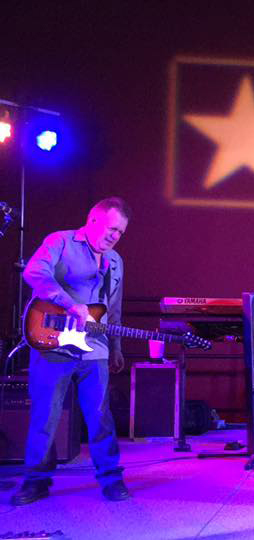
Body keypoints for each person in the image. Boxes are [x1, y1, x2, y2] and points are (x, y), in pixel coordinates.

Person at [12, 197, 131, 505]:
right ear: (93, 221)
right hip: (52, 340)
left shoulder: (115, 261)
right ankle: (35, 480)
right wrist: (69, 303)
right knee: (45, 415)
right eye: (111, 228)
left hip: (95, 348)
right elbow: (34, 273)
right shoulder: (60, 241)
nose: (114, 236)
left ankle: (111, 479)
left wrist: (115, 346)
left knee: (100, 414)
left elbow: (113, 307)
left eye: (120, 232)